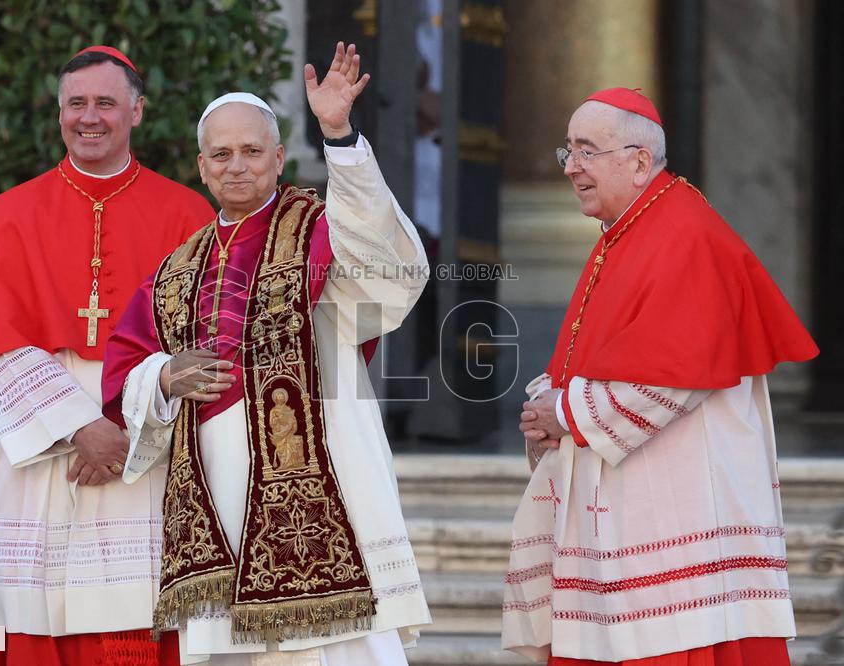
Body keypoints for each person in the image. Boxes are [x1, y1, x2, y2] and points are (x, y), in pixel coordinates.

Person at [101, 42, 432, 665]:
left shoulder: (321, 229)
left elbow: (388, 264)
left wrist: (339, 136)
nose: (236, 167)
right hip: (218, 499)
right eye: (221, 154)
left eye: (252, 151)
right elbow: (124, 374)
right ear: (200, 166)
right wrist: (166, 376)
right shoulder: (176, 269)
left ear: (279, 158)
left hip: (326, 484)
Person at [501, 87, 819, 665]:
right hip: (633, 506)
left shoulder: (685, 234)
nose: (571, 167)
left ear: (639, 160)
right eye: (566, 151)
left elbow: (676, 374)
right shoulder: (632, 230)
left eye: (586, 151)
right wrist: (552, 404)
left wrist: (566, 412)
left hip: (677, 508)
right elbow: (603, 354)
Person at [0, 45, 214, 665]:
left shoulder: (188, 213)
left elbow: (205, 345)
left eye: (105, 102)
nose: (89, 116)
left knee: (135, 622)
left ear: (137, 111)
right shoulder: (9, 213)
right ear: (59, 113)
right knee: (38, 611)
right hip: (43, 440)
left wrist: (124, 430)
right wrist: (79, 429)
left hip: (147, 435)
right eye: (76, 103)